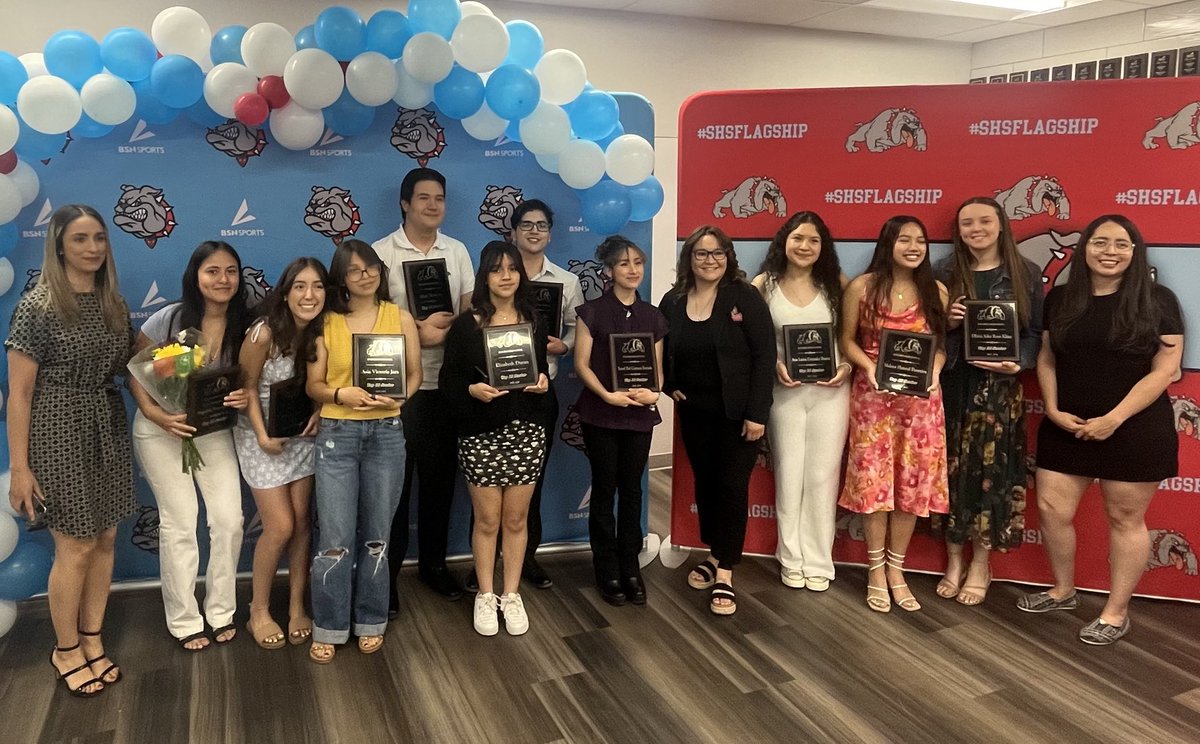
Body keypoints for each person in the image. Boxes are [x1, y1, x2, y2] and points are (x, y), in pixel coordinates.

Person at [1017, 215, 1183, 646]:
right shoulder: (1061, 299)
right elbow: (1048, 357)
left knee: (1125, 518)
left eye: (1121, 244)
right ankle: (1062, 591)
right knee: (1052, 511)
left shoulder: (1159, 300)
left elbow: (1165, 370)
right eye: (1100, 242)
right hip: (1066, 423)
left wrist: (1115, 418)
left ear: (1134, 252)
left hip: (1134, 427)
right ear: (1085, 248)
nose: (1110, 251)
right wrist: (1051, 407)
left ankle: (1115, 612)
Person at [6, 205, 135, 696]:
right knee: (75, 545)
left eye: (99, 238)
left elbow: (141, 358)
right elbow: (18, 395)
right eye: (81, 239)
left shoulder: (113, 304)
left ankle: (91, 637)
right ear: (59, 245)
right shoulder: (38, 306)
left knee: (104, 540)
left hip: (107, 424)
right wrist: (20, 468)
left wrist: (190, 353)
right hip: (58, 429)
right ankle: (64, 650)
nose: (93, 248)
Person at [130, 241, 250, 650]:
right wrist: (153, 414)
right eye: (212, 271)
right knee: (180, 522)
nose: (222, 279)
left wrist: (243, 397)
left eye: (231, 271)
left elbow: (248, 382)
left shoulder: (245, 324)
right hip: (161, 431)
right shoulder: (172, 318)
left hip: (213, 431)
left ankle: (221, 611)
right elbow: (138, 372)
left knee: (230, 521)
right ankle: (184, 619)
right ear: (196, 276)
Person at [305, 240, 421, 663]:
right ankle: (329, 624)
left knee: (378, 537)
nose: (365, 275)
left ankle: (371, 619)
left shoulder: (400, 317)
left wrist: (396, 398)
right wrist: (342, 393)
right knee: (334, 539)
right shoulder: (326, 322)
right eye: (354, 270)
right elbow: (313, 385)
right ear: (342, 278)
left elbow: (414, 375)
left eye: (370, 266)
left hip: (388, 432)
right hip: (338, 434)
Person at [659, 225, 774, 616]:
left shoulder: (745, 297)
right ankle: (713, 552)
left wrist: (757, 413)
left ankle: (725, 571)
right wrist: (668, 384)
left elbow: (764, 357)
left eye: (718, 253)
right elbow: (662, 350)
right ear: (689, 259)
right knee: (706, 486)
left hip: (738, 415)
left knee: (731, 487)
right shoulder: (672, 300)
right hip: (695, 413)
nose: (710, 261)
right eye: (701, 254)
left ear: (729, 257)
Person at [934, 197, 1042, 606]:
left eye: (984, 221)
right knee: (950, 473)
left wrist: (1019, 364)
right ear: (958, 230)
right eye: (966, 223)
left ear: (1001, 225)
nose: (975, 228)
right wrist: (948, 322)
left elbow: (1035, 335)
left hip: (999, 391)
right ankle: (954, 560)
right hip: (952, 384)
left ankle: (982, 563)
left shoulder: (1025, 272)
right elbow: (922, 332)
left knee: (990, 474)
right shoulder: (942, 271)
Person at [373, 167, 474, 605]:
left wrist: (444, 334)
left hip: (446, 386)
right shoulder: (381, 253)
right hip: (398, 390)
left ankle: (434, 566)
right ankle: (386, 579)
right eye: (423, 198)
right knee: (392, 489)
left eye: (439, 198)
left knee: (439, 485)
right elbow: (369, 322)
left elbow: (471, 317)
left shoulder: (457, 252)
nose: (432, 206)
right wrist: (418, 332)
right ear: (404, 203)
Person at [440, 241, 551, 636]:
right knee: (488, 520)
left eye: (513, 269)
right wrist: (472, 391)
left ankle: (511, 594)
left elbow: (541, 375)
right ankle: (485, 595)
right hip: (480, 433)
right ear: (484, 277)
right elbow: (448, 383)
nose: (506, 276)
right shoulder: (466, 325)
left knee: (516, 519)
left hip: (526, 431)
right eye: (497, 269)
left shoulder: (533, 321)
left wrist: (542, 383)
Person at [839, 216, 949, 613]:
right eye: (905, 239)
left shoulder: (936, 290)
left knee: (910, 487)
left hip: (920, 407)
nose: (914, 247)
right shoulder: (862, 287)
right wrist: (867, 368)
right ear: (889, 243)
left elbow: (939, 347)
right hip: (873, 400)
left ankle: (897, 570)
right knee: (874, 486)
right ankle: (874, 569)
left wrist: (935, 370)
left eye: (921, 240)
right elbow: (846, 340)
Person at [751, 212, 851, 592]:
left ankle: (819, 560)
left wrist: (845, 368)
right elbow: (754, 343)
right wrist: (775, 364)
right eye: (798, 239)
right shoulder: (764, 284)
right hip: (784, 394)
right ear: (784, 241)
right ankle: (790, 557)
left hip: (831, 394)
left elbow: (851, 336)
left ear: (822, 247)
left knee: (822, 478)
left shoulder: (836, 285)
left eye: (813, 240)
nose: (805, 247)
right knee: (789, 476)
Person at [233, 258, 327, 649]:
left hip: (302, 437)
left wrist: (321, 412)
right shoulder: (262, 333)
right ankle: (258, 611)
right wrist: (261, 435)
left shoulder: (324, 332)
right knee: (280, 526)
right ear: (285, 292)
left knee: (303, 523)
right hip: (260, 437)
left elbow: (326, 384)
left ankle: (296, 606)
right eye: (300, 286)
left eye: (318, 286)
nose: (309, 295)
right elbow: (247, 388)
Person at [574, 236, 666, 606]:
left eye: (638, 263)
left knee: (633, 491)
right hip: (602, 411)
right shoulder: (592, 311)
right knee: (605, 488)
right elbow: (581, 364)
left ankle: (631, 566)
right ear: (609, 271)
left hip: (639, 415)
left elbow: (656, 371)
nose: (633, 270)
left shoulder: (654, 316)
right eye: (624, 264)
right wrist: (607, 395)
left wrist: (654, 393)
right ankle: (606, 567)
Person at [505, 198, 585, 590]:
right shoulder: (499, 275)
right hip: (496, 393)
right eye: (527, 225)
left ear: (550, 233)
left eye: (541, 225)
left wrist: (564, 346)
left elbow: (576, 329)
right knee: (489, 482)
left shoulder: (566, 282)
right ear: (513, 231)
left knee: (529, 481)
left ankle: (528, 559)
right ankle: (484, 560)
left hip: (541, 392)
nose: (534, 231)